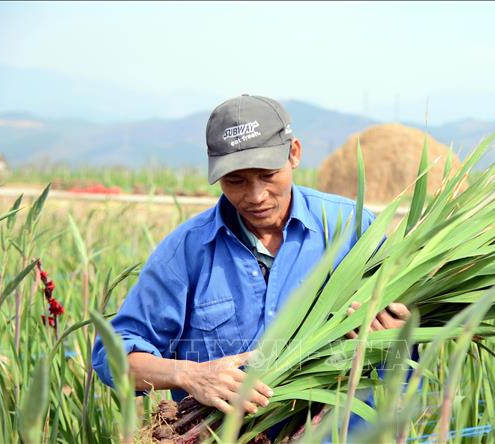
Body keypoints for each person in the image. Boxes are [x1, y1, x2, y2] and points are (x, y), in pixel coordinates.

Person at [92, 94, 409, 418]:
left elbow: (405, 344)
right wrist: (189, 375)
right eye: (236, 180)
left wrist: (397, 335)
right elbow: (112, 356)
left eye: (268, 175)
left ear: (294, 153)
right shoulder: (186, 252)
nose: (256, 196)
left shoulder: (351, 229)